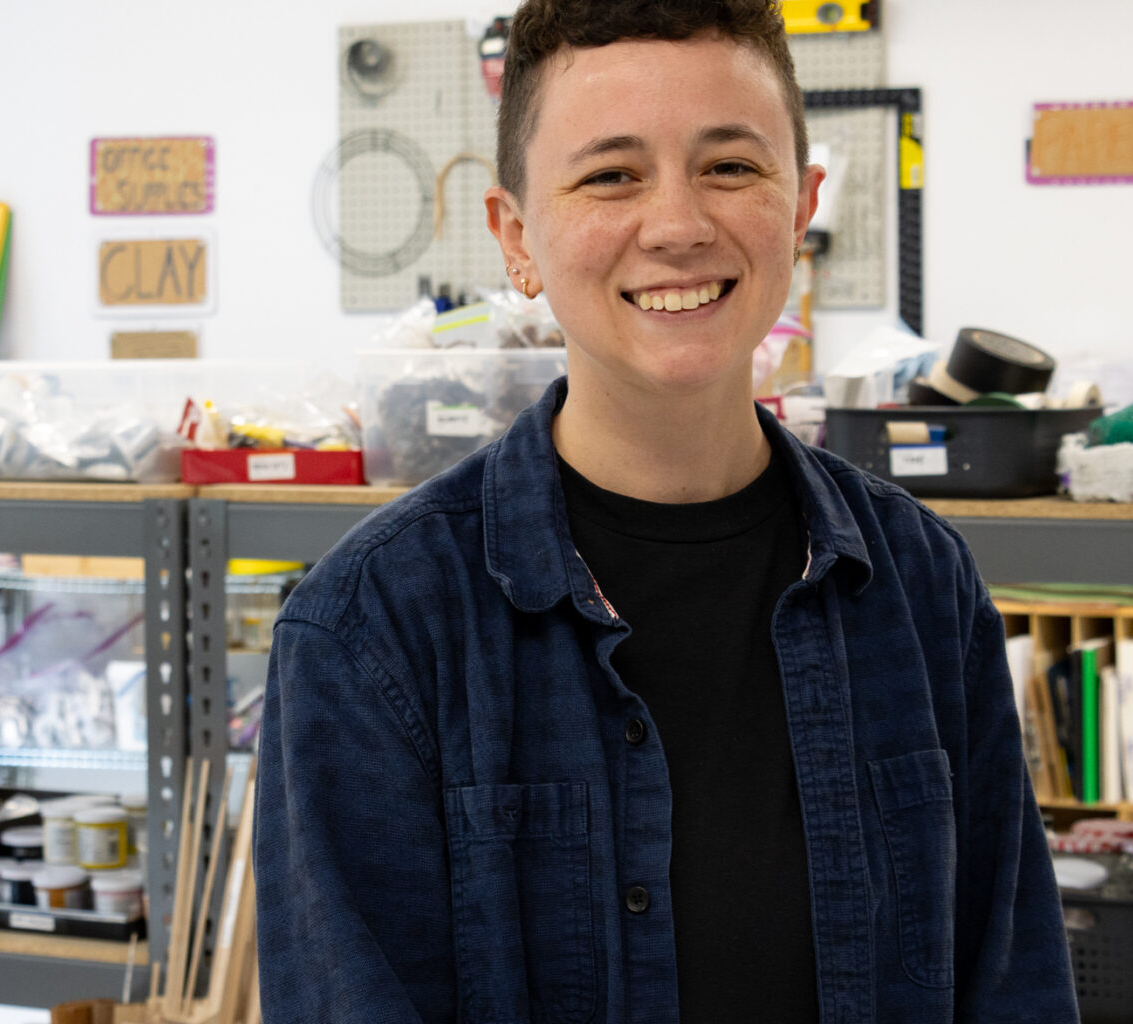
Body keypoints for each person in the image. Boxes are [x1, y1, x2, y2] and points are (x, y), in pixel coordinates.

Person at [254, 1, 1079, 1020]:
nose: (681, 224)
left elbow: (1013, 986)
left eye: (730, 166)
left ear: (798, 204)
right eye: (611, 175)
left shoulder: (921, 585)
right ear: (517, 238)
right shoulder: (374, 626)